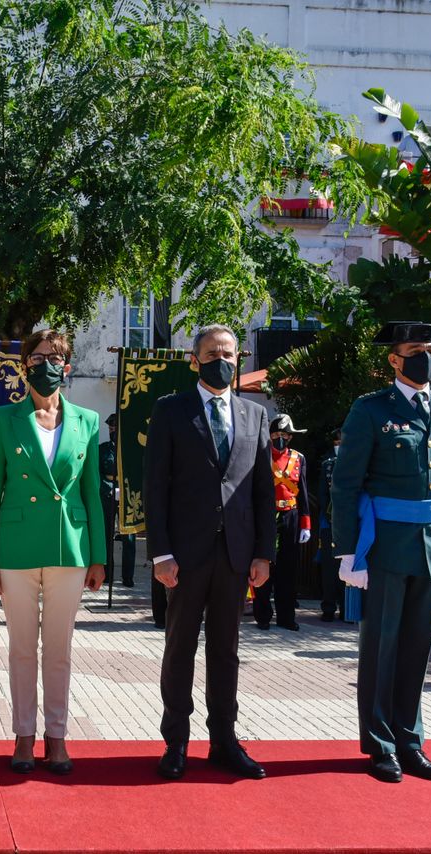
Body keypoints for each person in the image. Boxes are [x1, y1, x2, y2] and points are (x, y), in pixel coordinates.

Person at [332, 321, 431, 784]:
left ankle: (411, 742)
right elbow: (346, 482)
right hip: (386, 542)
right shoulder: (371, 410)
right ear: (394, 359)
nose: (425, 357)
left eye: (430, 349)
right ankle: (381, 744)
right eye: (415, 349)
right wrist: (348, 552)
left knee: (417, 648)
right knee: (382, 648)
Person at [145, 324, 273, 781]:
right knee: (180, 647)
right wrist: (160, 553)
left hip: (236, 554)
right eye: (213, 352)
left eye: (230, 353)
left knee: (226, 651)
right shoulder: (171, 410)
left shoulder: (254, 414)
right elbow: (155, 487)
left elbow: (263, 491)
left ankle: (224, 740)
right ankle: (176, 741)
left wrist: (263, 553)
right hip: (185, 553)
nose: (223, 360)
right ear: (194, 359)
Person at [0, 330, 106, 775]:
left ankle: (57, 737)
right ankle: (23, 736)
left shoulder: (87, 421)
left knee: (59, 649)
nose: (46, 364)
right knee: (20, 649)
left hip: (69, 546)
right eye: (37, 357)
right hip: (15, 549)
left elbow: (93, 493)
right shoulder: (4, 419)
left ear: (67, 366)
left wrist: (99, 557)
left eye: (55, 357)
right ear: (25, 365)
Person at [254, 413, 312, 631]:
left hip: (291, 516)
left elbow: (304, 493)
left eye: (285, 434)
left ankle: (286, 617)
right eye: (277, 434)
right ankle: (262, 616)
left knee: (288, 570)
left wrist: (305, 524)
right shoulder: (261, 456)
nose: (281, 438)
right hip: (266, 516)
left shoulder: (299, 458)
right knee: (263, 564)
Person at [99, 413, 136, 589]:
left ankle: (128, 577)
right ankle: (107, 575)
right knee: (107, 535)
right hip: (108, 492)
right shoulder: (103, 449)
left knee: (129, 537)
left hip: (127, 493)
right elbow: (96, 472)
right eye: (110, 427)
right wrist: (106, 485)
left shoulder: (131, 448)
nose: (112, 429)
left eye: (115, 427)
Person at [316, 429, 342, 622]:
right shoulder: (328, 465)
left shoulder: (358, 463)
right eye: (336, 441)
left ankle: (348, 607)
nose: (339, 444)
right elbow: (322, 495)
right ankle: (328, 607)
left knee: (351, 566)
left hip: (353, 523)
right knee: (329, 568)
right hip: (330, 522)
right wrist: (330, 515)